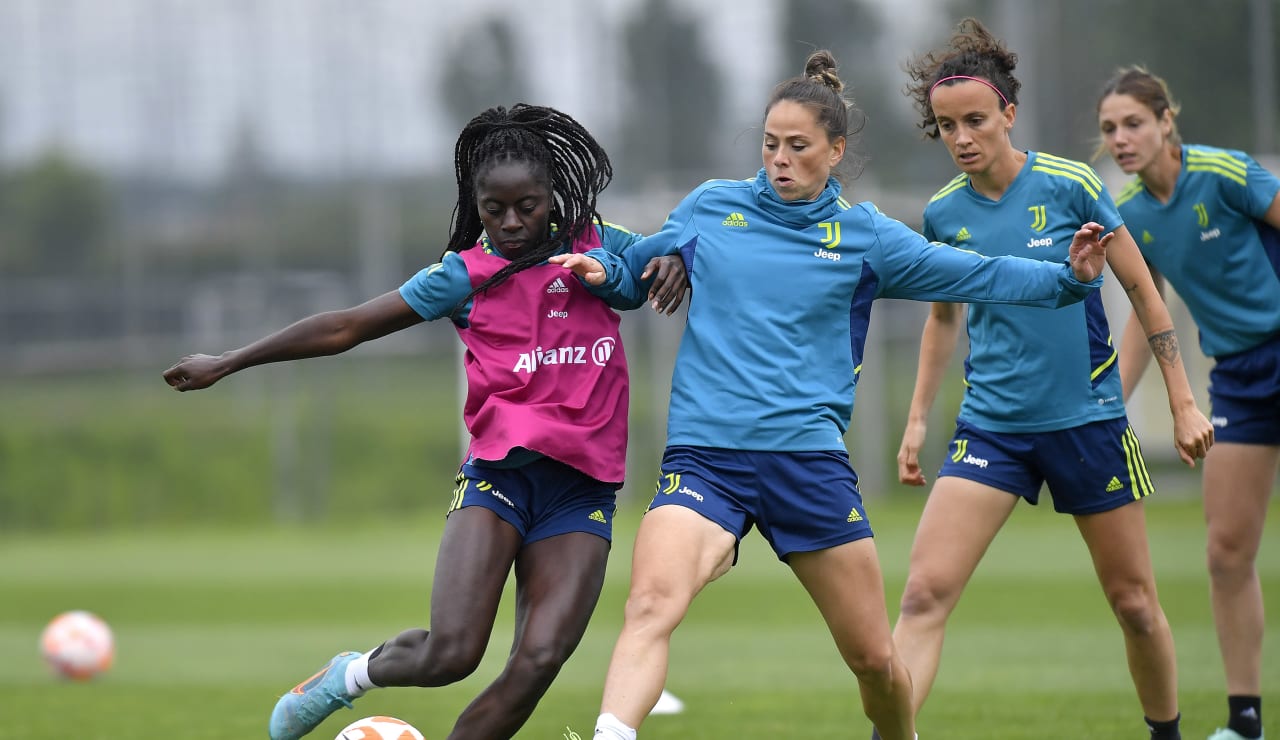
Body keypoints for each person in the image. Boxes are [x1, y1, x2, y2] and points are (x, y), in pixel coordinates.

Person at [551, 50, 1116, 740]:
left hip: (807, 467)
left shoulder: (866, 235)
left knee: (876, 661)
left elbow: (979, 274)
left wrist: (1069, 279)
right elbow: (633, 272)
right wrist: (601, 269)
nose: (778, 159)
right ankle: (612, 733)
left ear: (835, 150)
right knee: (649, 604)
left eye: (797, 146)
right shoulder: (710, 208)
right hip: (707, 458)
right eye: (769, 145)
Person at [162, 104, 688, 740]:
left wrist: (675, 260)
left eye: (527, 204)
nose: (512, 222)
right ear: (476, 204)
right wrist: (230, 360)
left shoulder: (598, 246)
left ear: (554, 194)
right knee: (452, 655)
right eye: (495, 209)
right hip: (499, 480)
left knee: (539, 660)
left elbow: (668, 253)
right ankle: (349, 677)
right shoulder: (464, 275)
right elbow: (346, 326)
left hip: (582, 489)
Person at [886, 19, 1216, 740]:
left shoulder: (1071, 184)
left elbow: (1142, 290)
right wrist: (917, 418)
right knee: (922, 596)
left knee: (1134, 604)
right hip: (991, 428)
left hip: (1087, 422)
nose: (962, 137)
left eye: (975, 119)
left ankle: (1167, 732)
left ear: (1008, 112)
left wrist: (1183, 400)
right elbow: (944, 320)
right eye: (947, 126)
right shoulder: (944, 212)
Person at [1097, 66, 1280, 740]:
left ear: (1165, 121)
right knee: (1227, 551)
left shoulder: (1224, 173)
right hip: (1238, 375)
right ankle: (1246, 722)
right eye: (1110, 129)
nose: (1121, 138)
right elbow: (1151, 314)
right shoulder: (1133, 214)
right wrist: (1109, 404)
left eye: (1133, 123)